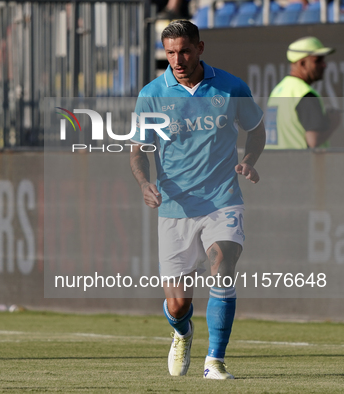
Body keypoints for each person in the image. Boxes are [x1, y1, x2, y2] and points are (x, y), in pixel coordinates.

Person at [129, 20, 266, 379]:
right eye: (170, 52)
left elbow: (256, 131)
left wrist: (249, 161)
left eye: (184, 50)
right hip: (175, 208)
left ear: (200, 48)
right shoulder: (152, 94)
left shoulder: (231, 86)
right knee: (178, 304)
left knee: (223, 262)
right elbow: (139, 151)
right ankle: (181, 330)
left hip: (223, 200)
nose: (178, 59)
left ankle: (215, 361)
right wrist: (145, 182)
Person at [266, 37, 340, 149]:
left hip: (276, 164)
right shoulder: (304, 94)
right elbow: (313, 141)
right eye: (318, 60)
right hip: (299, 165)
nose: (324, 65)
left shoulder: (278, 90)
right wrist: (333, 122)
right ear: (302, 63)